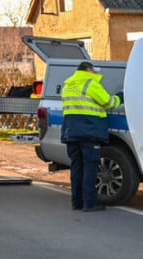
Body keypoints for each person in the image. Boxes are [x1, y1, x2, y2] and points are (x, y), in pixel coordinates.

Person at [61, 61, 121, 211]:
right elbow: (110, 103)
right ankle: (90, 203)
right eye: (93, 70)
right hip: (89, 130)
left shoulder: (68, 85)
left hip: (71, 131)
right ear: (88, 70)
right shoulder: (91, 84)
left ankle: (77, 202)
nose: (95, 73)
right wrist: (121, 96)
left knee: (76, 167)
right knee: (90, 167)